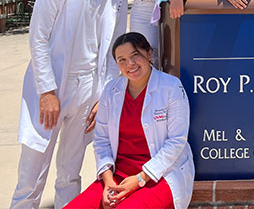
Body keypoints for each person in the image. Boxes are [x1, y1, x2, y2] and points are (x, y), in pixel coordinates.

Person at [11, 0, 128, 209]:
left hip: (89, 92)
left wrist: (104, 97)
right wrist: (47, 91)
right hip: (52, 88)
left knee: (70, 172)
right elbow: (38, 38)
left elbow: (115, 55)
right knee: (32, 174)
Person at [65, 32, 194, 209]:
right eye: (122, 60)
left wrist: (140, 178)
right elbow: (102, 141)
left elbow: (176, 142)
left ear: (149, 54)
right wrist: (108, 182)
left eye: (135, 56)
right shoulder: (111, 90)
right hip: (118, 174)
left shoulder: (171, 87)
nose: (130, 64)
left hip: (159, 174)